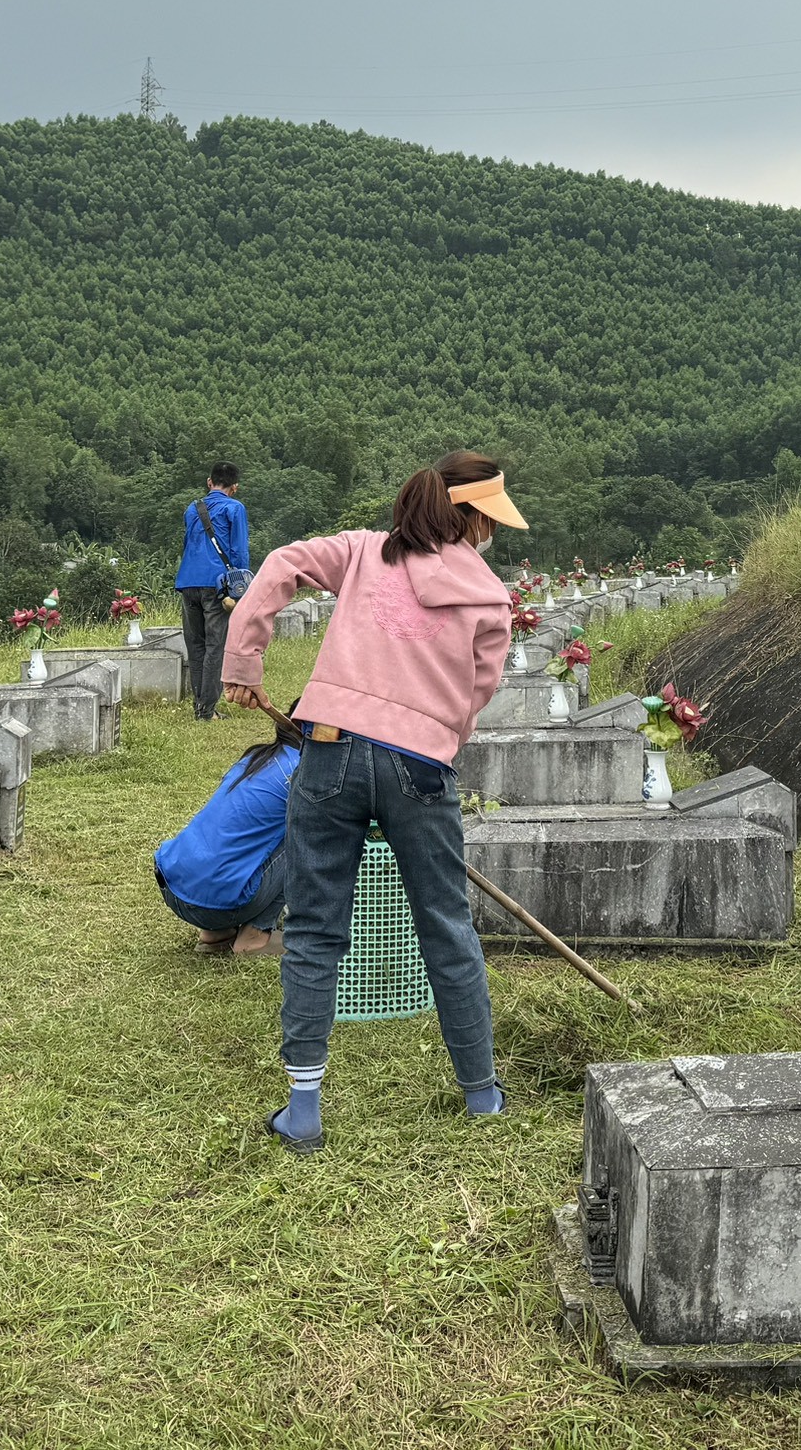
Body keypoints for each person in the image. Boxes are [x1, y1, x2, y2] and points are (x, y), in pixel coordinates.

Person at [221, 450, 524, 1151]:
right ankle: (481, 1096)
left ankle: (302, 1109)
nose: (493, 534)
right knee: (446, 925)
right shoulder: (488, 597)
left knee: (317, 927)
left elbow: (280, 566)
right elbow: (477, 694)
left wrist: (244, 660)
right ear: (471, 514)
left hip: (329, 748)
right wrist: (434, 739)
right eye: (490, 520)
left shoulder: (361, 553)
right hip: (421, 764)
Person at [153, 713, 302, 958]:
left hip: (173, 886)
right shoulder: (303, 773)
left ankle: (215, 935)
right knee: (306, 839)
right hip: (216, 904)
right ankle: (254, 937)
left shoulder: (256, 757)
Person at [176, 463, 251, 722]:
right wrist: (241, 586)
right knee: (215, 646)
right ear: (235, 487)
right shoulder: (235, 508)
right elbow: (239, 551)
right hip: (217, 584)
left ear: (210, 482)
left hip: (188, 581)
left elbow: (188, 543)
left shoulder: (192, 508)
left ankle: (200, 705)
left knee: (195, 645)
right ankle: (206, 711)